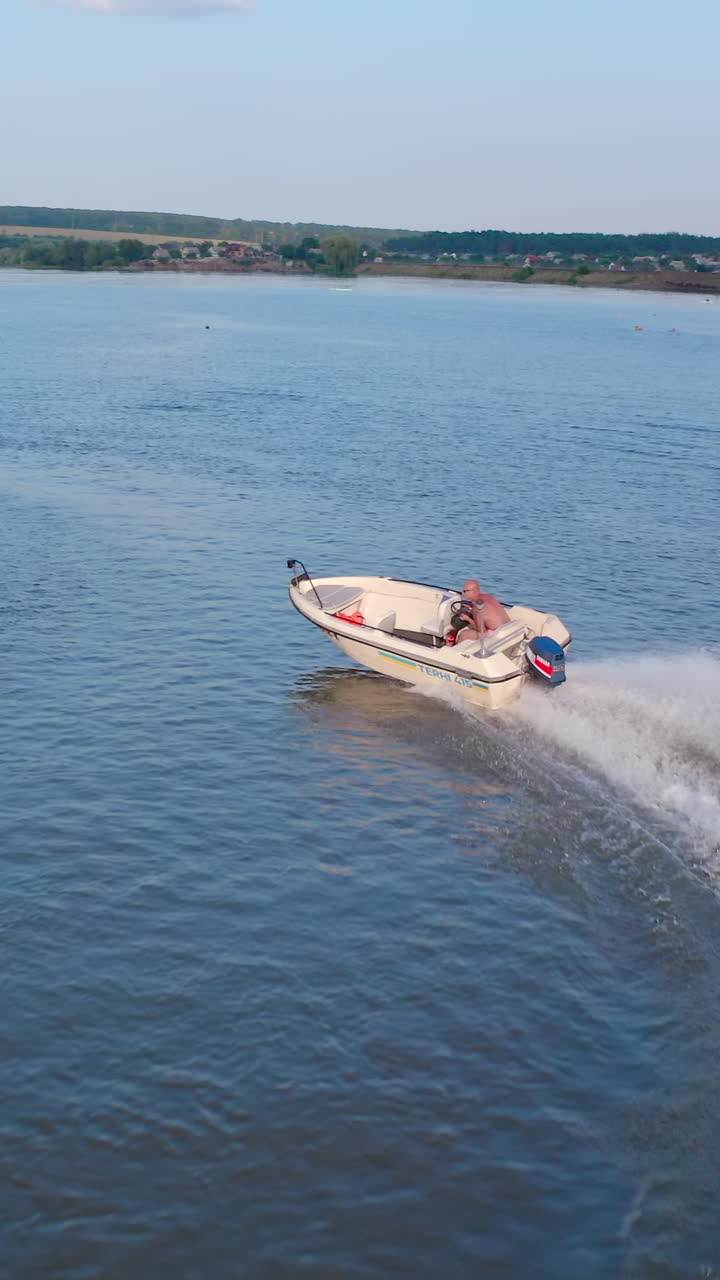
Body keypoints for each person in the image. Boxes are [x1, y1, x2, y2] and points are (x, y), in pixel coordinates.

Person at [446, 579, 510, 645]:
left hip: (497, 635)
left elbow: (480, 630)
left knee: (464, 634)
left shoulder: (477, 607)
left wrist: (467, 619)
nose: (463, 593)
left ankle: (456, 652)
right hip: (508, 628)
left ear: (473, 591)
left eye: (465, 591)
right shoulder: (489, 597)